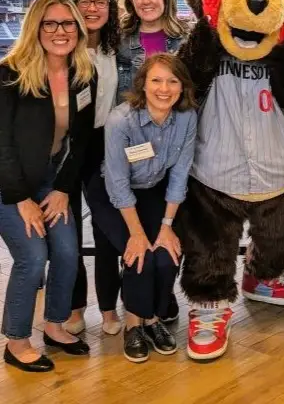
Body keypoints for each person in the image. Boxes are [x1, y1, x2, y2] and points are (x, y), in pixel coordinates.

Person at [0, 0, 95, 372]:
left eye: (68, 23)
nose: (60, 31)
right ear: (35, 28)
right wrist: (20, 198)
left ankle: (55, 325)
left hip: (50, 181)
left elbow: (81, 141)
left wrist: (62, 190)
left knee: (68, 251)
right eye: (50, 24)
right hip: (9, 183)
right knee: (33, 257)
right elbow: (2, 143)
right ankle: (16, 340)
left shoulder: (83, 73)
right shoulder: (10, 73)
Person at [86, 53, 196, 363]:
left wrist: (166, 227)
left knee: (166, 255)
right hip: (111, 193)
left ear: (182, 86)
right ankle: (134, 323)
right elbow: (118, 184)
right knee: (140, 257)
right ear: (143, 85)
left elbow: (179, 175)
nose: (165, 89)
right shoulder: (121, 120)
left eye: (173, 81)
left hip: (153, 190)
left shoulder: (187, 117)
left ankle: (153, 319)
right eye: (156, 80)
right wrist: (136, 232)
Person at [117, 0, 188, 323]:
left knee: (170, 229)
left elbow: (190, 90)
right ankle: (137, 305)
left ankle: (162, 294)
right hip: (134, 146)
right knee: (138, 228)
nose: (146, 1)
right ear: (131, 0)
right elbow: (120, 96)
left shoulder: (184, 38)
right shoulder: (120, 40)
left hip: (173, 142)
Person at [64, 0, 123, 336]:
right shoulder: (62, 48)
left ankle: (109, 311)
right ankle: (74, 308)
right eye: (85, 2)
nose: (92, 8)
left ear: (110, 9)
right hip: (67, 148)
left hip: (103, 143)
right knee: (68, 232)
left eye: (100, 2)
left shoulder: (115, 50)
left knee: (105, 231)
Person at [117, 0, 187, 101]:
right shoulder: (119, 42)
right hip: (130, 119)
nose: (146, 1)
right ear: (131, 1)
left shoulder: (185, 41)